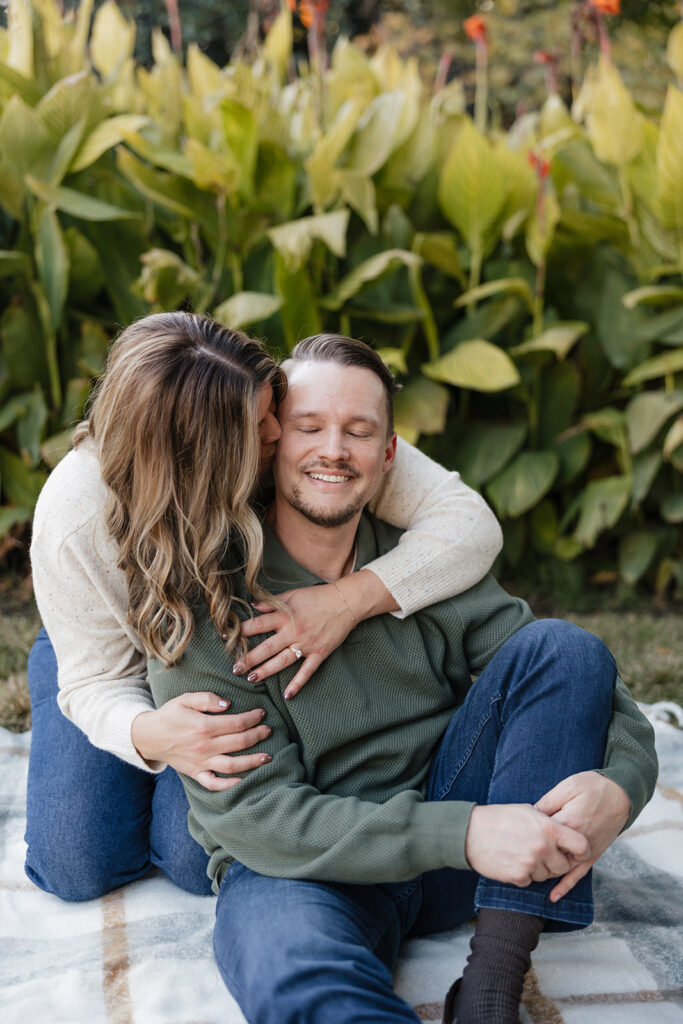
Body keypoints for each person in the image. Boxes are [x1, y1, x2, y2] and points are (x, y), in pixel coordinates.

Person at [147, 334, 657, 1024]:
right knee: (297, 976)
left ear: (388, 455)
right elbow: (258, 820)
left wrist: (620, 786)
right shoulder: (206, 600)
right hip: (311, 867)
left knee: (563, 647)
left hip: (464, 845)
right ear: (270, 444)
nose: (334, 450)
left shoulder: (421, 567)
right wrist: (465, 832)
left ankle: (489, 991)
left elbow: (583, 685)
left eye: (359, 431)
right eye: (310, 427)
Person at [26, 311, 504, 901]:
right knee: (79, 864)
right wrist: (150, 733)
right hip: (115, 652)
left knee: (190, 855)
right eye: (261, 426)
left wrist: (346, 600)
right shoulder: (76, 515)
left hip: (210, 647)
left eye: (274, 409)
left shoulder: (280, 416)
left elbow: (469, 524)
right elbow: (94, 677)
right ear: (199, 451)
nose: (282, 433)